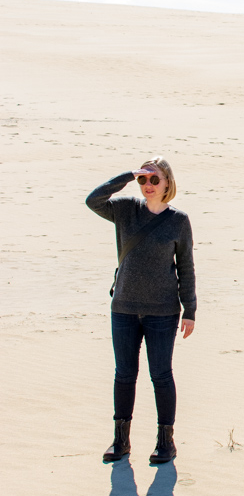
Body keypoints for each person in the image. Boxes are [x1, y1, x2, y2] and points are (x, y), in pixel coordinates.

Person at [86, 156, 196, 464]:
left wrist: (190, 310)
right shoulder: (125, 211)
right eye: (143, 180)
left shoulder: (178, 221)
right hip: (123, 307)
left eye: (154, 179)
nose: (148, 185)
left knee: (161, 375)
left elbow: (186, 267)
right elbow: (93, 200)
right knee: (124, 374)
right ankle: (120, 440)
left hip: (162, 311)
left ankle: (165, 441)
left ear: (167, 184)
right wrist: (127, 174)